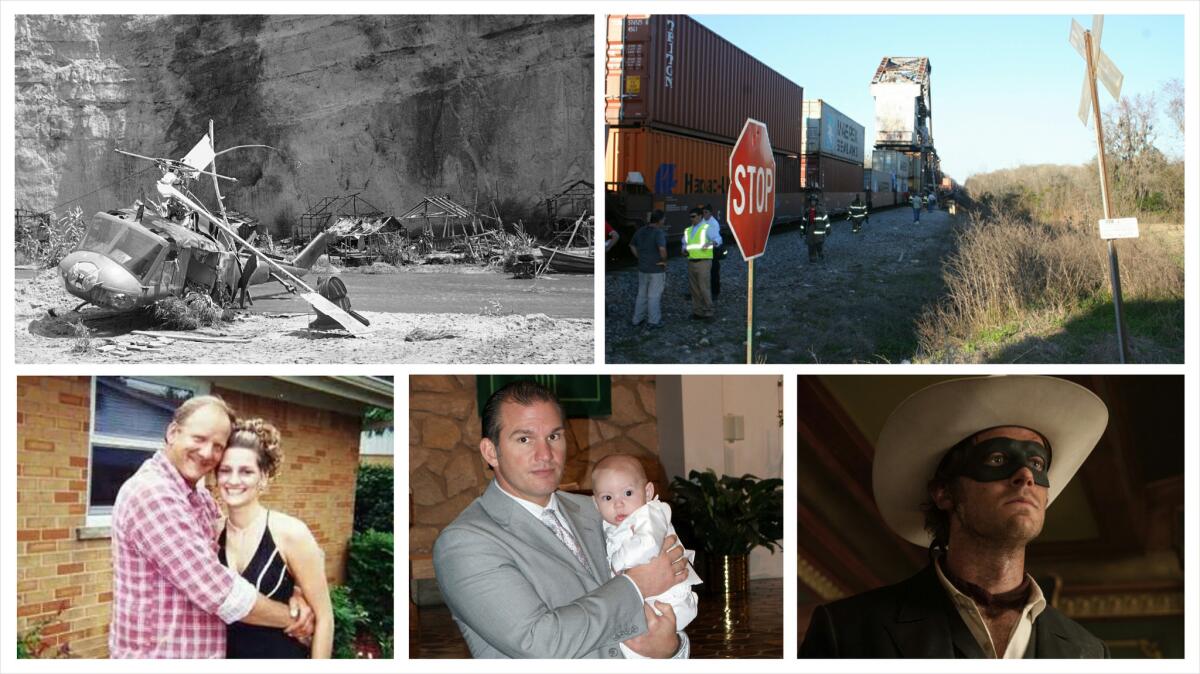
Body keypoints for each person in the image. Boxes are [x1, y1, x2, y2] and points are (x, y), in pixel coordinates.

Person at [800, 376, 1111, 658]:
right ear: (944, 493)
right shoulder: (848, 633)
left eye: (1038, 464)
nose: (1025, 476)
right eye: (998, 458)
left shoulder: (1090, 653)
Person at [433, 381, 691, 659]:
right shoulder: (464, 543)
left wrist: (671, 649)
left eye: (554, 436)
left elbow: (663, 602)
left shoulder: (600, 510)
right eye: (524, 439)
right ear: (491, 452)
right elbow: (541, 644)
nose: (545, 455)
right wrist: (637, 586)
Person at [109, 395, 314, 658]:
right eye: (199, 439)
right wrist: (293, 617)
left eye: (218, 446)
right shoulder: (152, 494)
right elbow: (220, 592)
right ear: (173, 432)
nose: (207, 453)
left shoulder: (200, 498)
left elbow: (245, 558)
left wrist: (295, 590)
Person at [216, 418, 334, 658]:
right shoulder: (211, 533)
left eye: (246, 471)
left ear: (264, 476)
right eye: (225, 470)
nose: (234, 480)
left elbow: (324, 618)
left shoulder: (290, 533)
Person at [591, 455, 702, 659]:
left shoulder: (650, 514)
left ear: (648, 492)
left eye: (628, 493)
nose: (618, 504)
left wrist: (616, 564)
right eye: (607, 498)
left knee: (632, 644)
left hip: (669, 600)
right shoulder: (613, 525)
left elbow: (647, 545)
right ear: (596, 503)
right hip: (649, 598)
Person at [629, 209, 667, 329]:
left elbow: (632, 245)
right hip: (656, 269)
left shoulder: (640, 231)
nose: (664, 221)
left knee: (641, 295)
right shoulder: (658, 233)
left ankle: (637, 319)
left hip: (642, 267)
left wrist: (639, 257)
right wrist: (664, 261)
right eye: (663, 219)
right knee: (653, 296)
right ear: (660, 220)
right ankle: (653, 321)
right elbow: (662, 249)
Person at [681, 208, 715, 320]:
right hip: (691, 262)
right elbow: (684, 244)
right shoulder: (688, 231)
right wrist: (684, 250)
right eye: (690, 216)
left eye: (694, 216)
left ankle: (709, 312)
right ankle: (698, 312)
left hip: (703, 262)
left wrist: (710, 243)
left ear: (700, 216)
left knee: (704, 288)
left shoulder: (707, 228)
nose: (692, 219)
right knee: (694, 289)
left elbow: (718, 239)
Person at [701, 204, 724, 302]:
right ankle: (702, 291)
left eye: (706, 212)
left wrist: (709, 244)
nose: (704, 214)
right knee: (703, 273)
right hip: (703, 250)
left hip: (712, 251)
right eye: (703, 212)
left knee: (714, 272)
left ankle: (715, 292)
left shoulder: (714, 223)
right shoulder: (702, 221)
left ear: (710, 213)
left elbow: (718, 239)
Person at [804, 195, 830, 262]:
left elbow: (826, 220)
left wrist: (828, 229)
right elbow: (804, 222)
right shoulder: (807, 211)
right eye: (811, 201)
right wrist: (802, 231)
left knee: (818, 244)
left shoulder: (821, 210)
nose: (813, 202)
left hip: (819, 230)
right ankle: (812, 258)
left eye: (814, 201)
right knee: (810, 244)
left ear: (816, 201)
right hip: (810, 230)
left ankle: (820, 253)